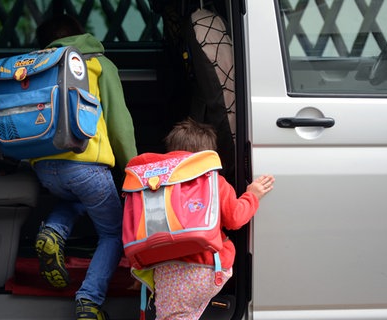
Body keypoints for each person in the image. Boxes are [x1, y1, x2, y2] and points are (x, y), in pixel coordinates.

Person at [31, 14, 138, 320]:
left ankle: (53, 230)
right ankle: (89, 300)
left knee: (75, 198)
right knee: (114, 233)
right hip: (86, 166)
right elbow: (119, 125)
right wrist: (133, 169)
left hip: (45, 168)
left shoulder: (37, 65)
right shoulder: (97, 64)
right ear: (81, 34)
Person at [139, 118, 274, 320]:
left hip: (165, 268)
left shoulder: (154, 186)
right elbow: (235, 218)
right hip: (207, 267)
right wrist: (252, 195)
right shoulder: (214, 183)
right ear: (208, 156)